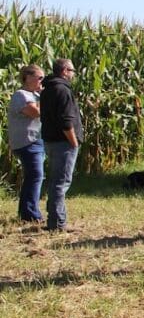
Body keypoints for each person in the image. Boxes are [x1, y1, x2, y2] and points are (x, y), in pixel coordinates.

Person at [40, 57, 82, 233]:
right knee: (61, 182)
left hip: (50, 140)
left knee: (56, 181)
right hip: (63, 142)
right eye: (72, 71)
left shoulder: (47, 89)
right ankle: (57, 223)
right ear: (64, 71)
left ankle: (54, 218)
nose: (73, 74)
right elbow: (66, 121)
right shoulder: (62, 90)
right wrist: (73, 142)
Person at [8, 64, 45, 224]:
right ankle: (30, 214)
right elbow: (35, 112)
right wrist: (44, 98)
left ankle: (26, 212)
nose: (42, 81)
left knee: (33, 176)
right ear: (28, 78)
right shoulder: (21, 95)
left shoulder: (34, 95)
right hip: (27, 142)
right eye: (40, 78)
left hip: (35, 141)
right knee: (36, 175)